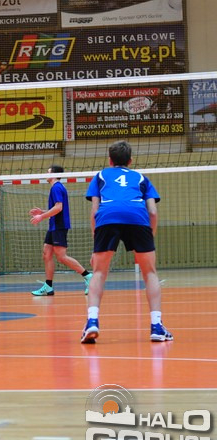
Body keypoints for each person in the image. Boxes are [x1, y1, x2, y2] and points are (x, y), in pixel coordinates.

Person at [81, 140, 172, 344]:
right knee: (150, 273)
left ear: (110, 160)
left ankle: (92, 321)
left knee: (99, 272)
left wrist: (96, 242)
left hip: (107, 217)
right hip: (137, 217)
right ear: (130, 161)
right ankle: (157, 326)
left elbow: (94, 211)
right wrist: (149, 239)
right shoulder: (141, 178)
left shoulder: (100, 176)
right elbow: (152, 211)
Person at [29, 165, 92, 296]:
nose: (45, 175)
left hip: (59, 226)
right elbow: (56, 209)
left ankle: (88, 277)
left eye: (48, 172)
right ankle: (48, 286)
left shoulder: (56, 187)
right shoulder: (56, 188)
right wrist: (43, 212)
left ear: (54, 174)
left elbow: (58, 208)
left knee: (61, 257)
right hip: (54, 225)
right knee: (47, 253)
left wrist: (41, 217)